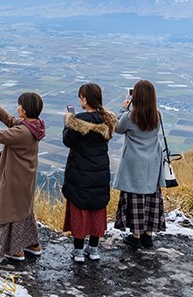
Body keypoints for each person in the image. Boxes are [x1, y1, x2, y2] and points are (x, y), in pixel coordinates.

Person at [0, 92, 46, 261]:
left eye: (19, 105)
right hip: (25, 177)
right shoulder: (35, 125)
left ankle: (14, 250)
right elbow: (15, 122)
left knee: (8, 210)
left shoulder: (23, 132)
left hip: (14, 178)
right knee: (23, 209)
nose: (18, 107)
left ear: (25, 108)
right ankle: (31, 244)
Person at [62, 82, 117, 262]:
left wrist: (68, 122)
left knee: (79, 207)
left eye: (80, 97)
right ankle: (93, 248)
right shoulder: (107, 119)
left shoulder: (79, 120)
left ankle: (78, 251)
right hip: (100, 170)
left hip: (80, 170)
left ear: (84, 99)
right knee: (96, 208)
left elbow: (68, 141)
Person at [113, 80, 166, 248]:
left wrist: (123, 107)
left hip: (134, 162)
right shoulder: (157, 115)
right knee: (151, 195)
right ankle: (148, 235)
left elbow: (117, 128)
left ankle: (135, 236)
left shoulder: (130, 116)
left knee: (135, 196)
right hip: (152, 161)